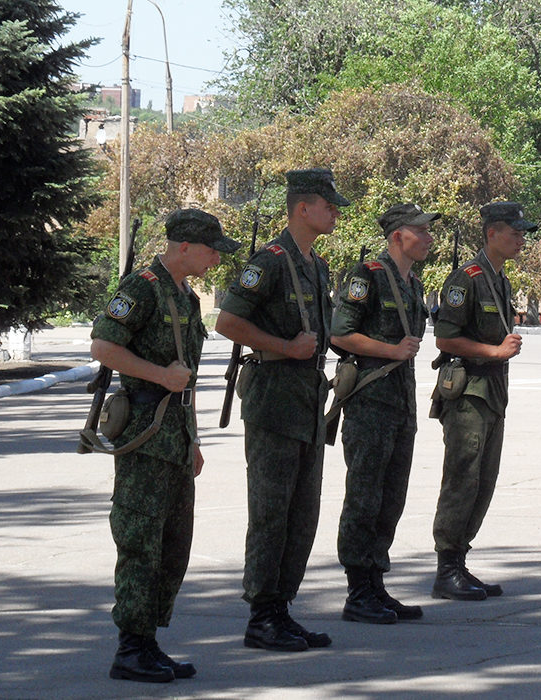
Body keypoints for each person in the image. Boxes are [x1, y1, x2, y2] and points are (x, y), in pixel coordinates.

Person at [91, 208, 240, 683]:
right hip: (143, 434)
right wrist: (160, 376)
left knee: (173, 547)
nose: (217, 256)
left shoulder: (187, 298)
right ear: (183, 246)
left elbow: (188, 380)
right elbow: (102, 346)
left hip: (174, 437)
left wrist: (194, 439)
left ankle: (149, 642)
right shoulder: (141, 287)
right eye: (211, 247)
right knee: (140, 544)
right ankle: (130, 648)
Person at [215, 168, 348, 651]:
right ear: (302, 208)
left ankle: (282, 607)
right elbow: (228, 321)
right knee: (271, 511)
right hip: (274, 398)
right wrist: (283, 346)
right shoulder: (269, 261)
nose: (335, 212)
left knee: (302, 513)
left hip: (308, 401)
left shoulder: (317, 265)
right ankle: (262, 614)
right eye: (328, 205)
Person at [331, 203, 434, 623]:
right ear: (397, 236)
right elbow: (340, 334)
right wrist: (389, 350)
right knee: (365, 495)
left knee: (391, 496)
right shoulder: (367, 275)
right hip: (371, 402)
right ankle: (358, 590)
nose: (428, 238)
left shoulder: (412, 283)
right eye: (420, 231)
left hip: (401, 402)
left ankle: (376, 581)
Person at [429, 201, 528, 600]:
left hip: (492, 394)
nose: (521, 239)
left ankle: (460, 560)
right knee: (462, 479)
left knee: (483, 481)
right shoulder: (466, 279)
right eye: (515, 232)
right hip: (468, 392)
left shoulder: (500, 280)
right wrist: (494, 352)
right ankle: (446, 566)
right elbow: (445, 338)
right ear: (492, 233)